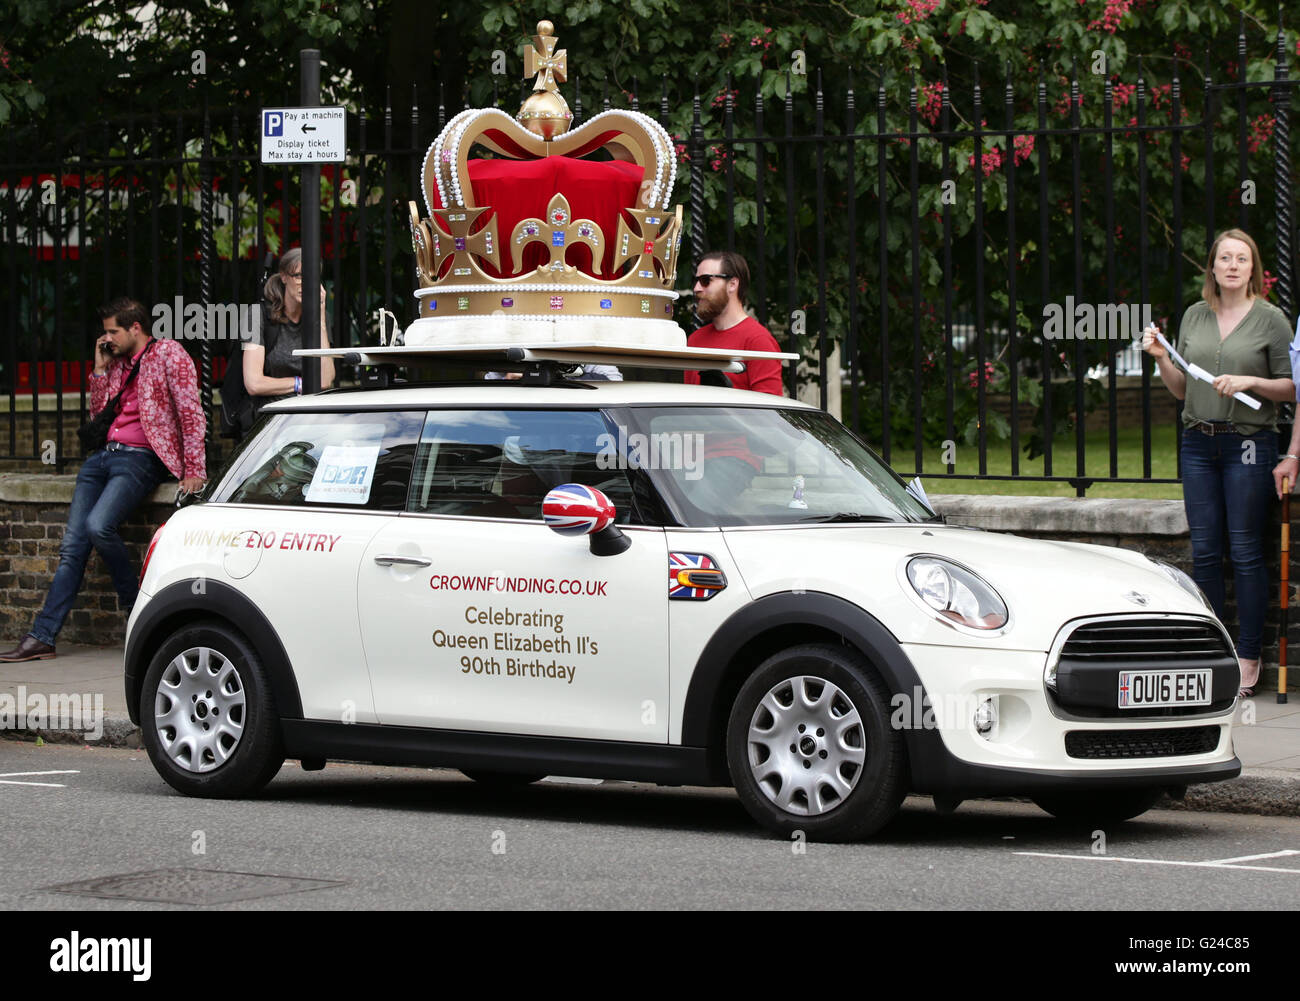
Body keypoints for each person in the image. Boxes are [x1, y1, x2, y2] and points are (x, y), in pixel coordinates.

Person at [0, 297, 207, 662]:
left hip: (140, 460)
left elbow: (191, 412)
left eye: (113, 331)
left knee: (99, 526)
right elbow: (98, 415)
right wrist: (99, 369)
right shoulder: (117, 363)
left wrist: (194, 469)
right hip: (101, 459)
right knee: (72, 548)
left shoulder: (169, 354)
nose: (106, 337)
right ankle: (42, 636)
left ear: (135, 328)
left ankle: (138, 614)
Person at [1142, 228, 1294, 697]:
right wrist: (1161, 360)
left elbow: (1292, 388)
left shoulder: (1271, 319)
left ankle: (1249, 656)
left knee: (1247, 552)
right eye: (1224, 258)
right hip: (1198, 445)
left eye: (1241, 259)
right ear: (1212, 266)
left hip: (1247, 444)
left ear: (1254, 269)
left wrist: (1250, 381)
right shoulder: (1193, 316)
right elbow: (1186, 389)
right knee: (1205, 553)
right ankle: (1212, 653)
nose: (1232, 265)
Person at [243, 248, 334, 412]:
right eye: (299, 276)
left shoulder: (321, 317)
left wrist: (320, 318)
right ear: (284, 276)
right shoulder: (257, 314)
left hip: (310, 413)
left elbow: (326, 380)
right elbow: (254, 383)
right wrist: (300, 383)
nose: (306, 283)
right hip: (271, 415)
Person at [683, 250, 783, 396]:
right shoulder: (695, 339)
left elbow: (768, 412)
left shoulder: (758, 341)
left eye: (705, 280)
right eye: (696, 281)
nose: (696, 288)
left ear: (732, 284)